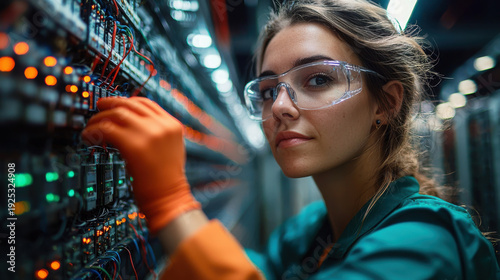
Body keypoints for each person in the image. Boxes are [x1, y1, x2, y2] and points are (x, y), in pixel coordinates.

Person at [82, 0, 500, 279]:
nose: (280, 106)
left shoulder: (422, 243)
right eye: (267, 90)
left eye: (318, 79)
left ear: (385, 104)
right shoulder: (309, 233)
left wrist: (171, 203)